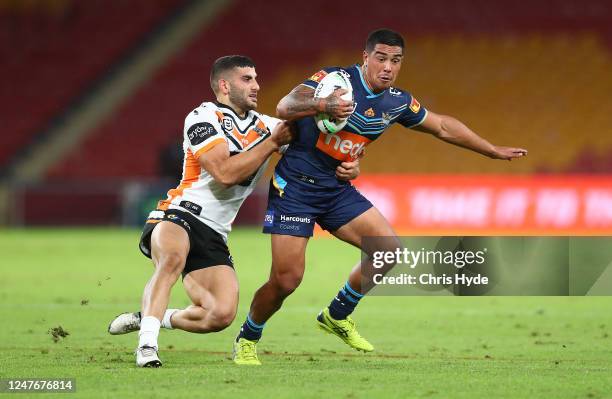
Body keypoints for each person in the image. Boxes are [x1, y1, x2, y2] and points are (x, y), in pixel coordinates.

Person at [232, 29, 528, 365]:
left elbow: (442, 125)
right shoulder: (334, 79)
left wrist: (489, 150)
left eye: (396, 60)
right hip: (295, 188)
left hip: (335, 188)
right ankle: (248, 335)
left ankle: (337, 314)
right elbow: (285, 106)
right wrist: (325, 104)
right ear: (366, 57)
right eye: (381, 58)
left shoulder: (397, 101)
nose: (388, 67)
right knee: (287, 280)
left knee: (387, 250)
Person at [106, 54, 364, 368]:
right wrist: (270, 144)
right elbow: (224, 173)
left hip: (215, 231)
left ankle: (152, 317)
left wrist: (350, 164)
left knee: (220, 315)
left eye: (256, 78)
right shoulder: (204, 117)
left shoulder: (267, 125)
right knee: (172, 260)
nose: (257, 85)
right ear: (225, 85)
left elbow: (318, 151)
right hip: (181, 213)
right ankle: (147, 347)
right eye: (247, 79)